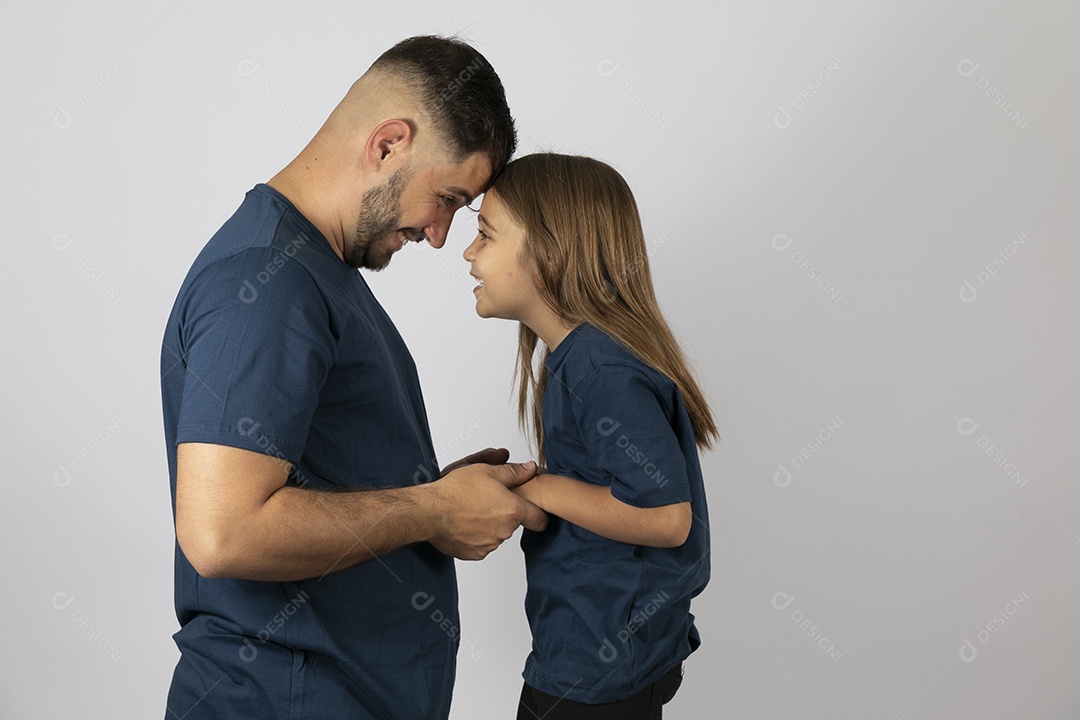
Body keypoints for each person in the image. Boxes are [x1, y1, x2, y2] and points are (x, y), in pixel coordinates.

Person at [159, 36, 547, 720]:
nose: (438, 236)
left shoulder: (315, 270)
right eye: (448, 198)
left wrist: (435, 492)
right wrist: (434, 510)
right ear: (389, 144)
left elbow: (314, 476)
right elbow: (224, 532)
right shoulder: (265, 282)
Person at [461, 153, 718, 719]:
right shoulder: (580, 360)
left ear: (549, 255)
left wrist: (540, 491)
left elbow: (666, 517)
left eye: (485, 234)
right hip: (603, 656)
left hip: (596, 669)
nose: (468, 253)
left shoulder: (598, 369)